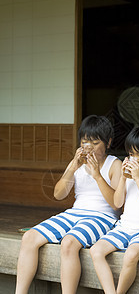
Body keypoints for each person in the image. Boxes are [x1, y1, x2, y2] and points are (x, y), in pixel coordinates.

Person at [15, 115, 122, 294]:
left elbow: (116, 204)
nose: (89, 147)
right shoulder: (77, 164)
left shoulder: (114, 164)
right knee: (29, 238)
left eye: (95, 143)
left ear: (108, 142)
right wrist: (73, 166)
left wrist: (97, 175)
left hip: (103, 216)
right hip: (74, 213)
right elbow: (58, 194)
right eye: (85, 142)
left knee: (69, 243)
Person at [90, 125, 139, 294]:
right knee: (96, 251)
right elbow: (117, 203)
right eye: (132, 154)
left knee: (131, 255)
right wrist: (124, 179)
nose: (135, 159)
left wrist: (137, 178)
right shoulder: (129, 173)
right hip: (124, 227)